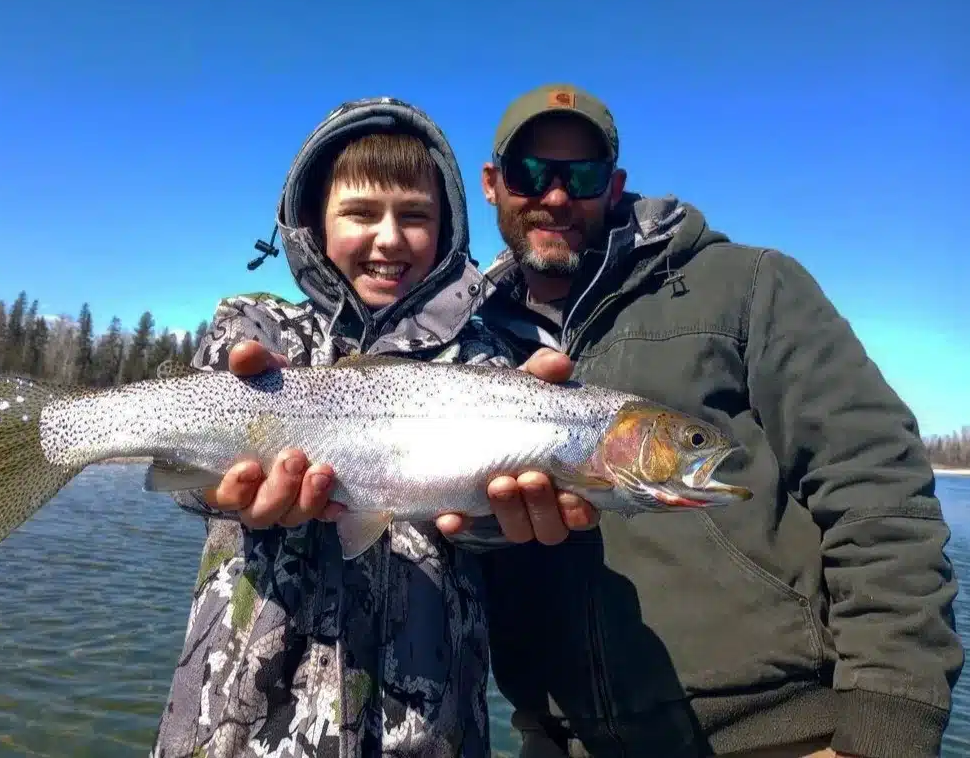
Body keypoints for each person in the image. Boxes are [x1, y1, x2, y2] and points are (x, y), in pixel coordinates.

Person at [471, 83, 964, 758]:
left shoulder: (749, 285)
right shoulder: (467, 341)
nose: (556, 196)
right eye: (532, 173)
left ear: (613, 186)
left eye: (580, 176)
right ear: (493, 184)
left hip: (782, 736)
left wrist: (886, 727)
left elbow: (879, 488)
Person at [150, 96, 581, 758]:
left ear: (448, 230)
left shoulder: (489, 368)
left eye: (415, 216)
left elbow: (494, 531)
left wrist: (511, 519)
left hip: (432, 738)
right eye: (360, 214)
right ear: (313, 225)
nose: (388, 237)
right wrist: (216, 486)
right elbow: (179, 473)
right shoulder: (260, 332)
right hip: (243, 731)